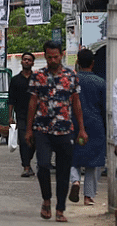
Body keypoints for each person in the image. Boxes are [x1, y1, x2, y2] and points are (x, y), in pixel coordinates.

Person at [25, 41, 88, 222]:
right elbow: (32, 103)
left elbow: (76, 103)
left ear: (61, 55)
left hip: (65, 130)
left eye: (56, 56)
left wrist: (81, 129)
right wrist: (28, 129)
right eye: (49, 57)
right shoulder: (38, 76)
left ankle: (60, 209)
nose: (53, 60)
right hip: (42, 130)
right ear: (45, 56)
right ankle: (46, 199)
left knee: (63, 171)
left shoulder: (71, 75)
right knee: (43, 166)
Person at [69, 49, 105, 206]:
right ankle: (88, 196)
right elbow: (104, 107)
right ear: (93, 63)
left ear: (77, 61)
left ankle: (75, 181)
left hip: (73, 122)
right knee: (94, 160)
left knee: (72, 156)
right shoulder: (100, 82)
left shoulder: (71, 80)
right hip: (95, 123)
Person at [8, 52, 37, 177]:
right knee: (24, 141)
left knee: (34, 141)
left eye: (29, 60)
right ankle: (26, 166)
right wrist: (10, 116)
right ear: (21, 62)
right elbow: (11, 99)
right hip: (21, 115)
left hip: (37, 116)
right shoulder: (15, 80)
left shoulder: (36, 80)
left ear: (32, 63)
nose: (26, 61)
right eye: (24, 59)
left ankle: (28, 161)